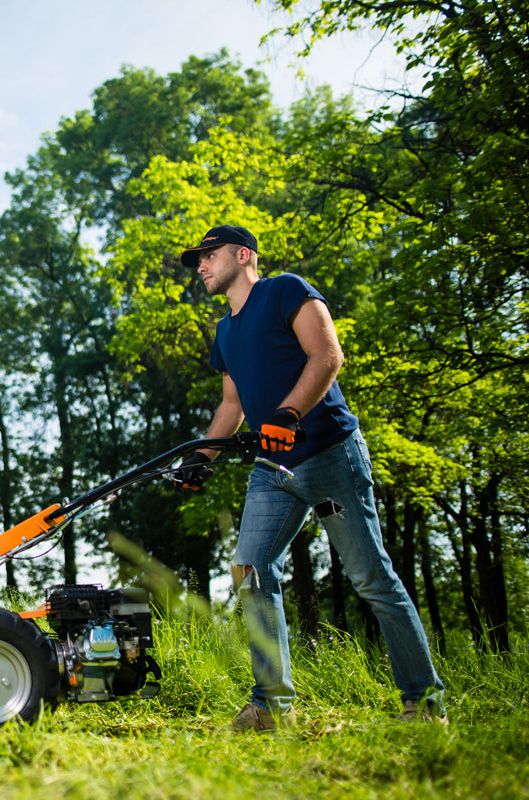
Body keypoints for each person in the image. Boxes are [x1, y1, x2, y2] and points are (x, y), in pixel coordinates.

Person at [172, 224, 446, 732]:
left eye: (208, 256)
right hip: (273, 470)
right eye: (198, 261)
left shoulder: (286, 290)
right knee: (249, 571)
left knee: (372, 578)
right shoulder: (225, 331)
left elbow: (328, 356)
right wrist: (201, 458)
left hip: (329, 455)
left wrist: (289, 413)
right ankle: (271, 705)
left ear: (243, 254)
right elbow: (231, 405)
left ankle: (424, 702)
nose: (201, 267)